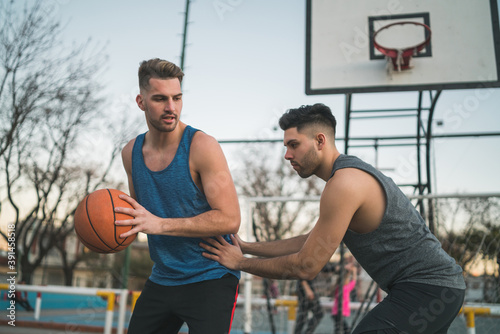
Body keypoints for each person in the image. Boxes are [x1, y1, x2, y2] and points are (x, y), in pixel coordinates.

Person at [200, 103, 466, 334]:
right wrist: (246, 247)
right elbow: (308, 242)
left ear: (320, 141)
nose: (287, 155)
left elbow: (305, 266)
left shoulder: (344, 184)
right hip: (438, 289)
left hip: (426, 288)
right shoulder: (346, 177)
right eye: (286, 146)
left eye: (294, 145)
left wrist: (240, 262)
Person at [114, 58, 241, 334]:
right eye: (160, 99)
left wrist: (160, 224)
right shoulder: (130, 153)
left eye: (177, 98)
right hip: (163, 277)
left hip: (211, 276)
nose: (171, 108)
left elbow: (230, 219)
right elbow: (140, 218)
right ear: (141, 101)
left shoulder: (202, 147)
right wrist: (110, 229)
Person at [332, 262, 357, 334]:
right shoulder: (344, 287)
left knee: (338, 329)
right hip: (339, 312)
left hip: (337, 313)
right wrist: (353, 272)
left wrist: (350, 271)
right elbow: (353, 281)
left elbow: (352, 281)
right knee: (346, 330)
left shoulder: (339, 286)